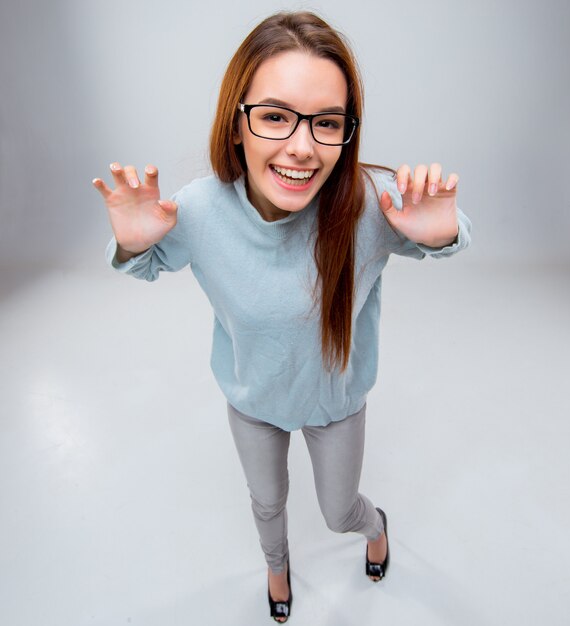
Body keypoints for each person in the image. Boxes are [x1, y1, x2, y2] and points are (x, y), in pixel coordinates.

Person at [92, 10, 471, 623]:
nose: (301, 147)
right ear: (236, 122)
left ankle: (375, 528)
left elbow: (447, 232)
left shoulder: (368, 204)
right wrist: (135, 245)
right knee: (266, 504)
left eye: (327, 123)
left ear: (347, 130)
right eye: (274, 116)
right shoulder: (199, 210)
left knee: (338, 510)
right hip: (253, 401)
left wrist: (441, 234)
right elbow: (143, 263)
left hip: (335, 402)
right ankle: (277, 568)